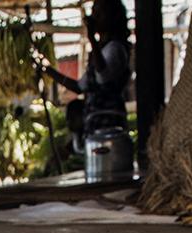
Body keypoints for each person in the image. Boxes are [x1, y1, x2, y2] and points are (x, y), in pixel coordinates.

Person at [40, 0, 131, 152]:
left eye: (99, 13)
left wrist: (92, 38)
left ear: (111, 17)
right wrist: (47, 69)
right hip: (95, 127)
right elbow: (79, 87)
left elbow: (103, 76)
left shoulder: (116, 49)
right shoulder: (102, 51)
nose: (94, 16)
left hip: (109, 125)